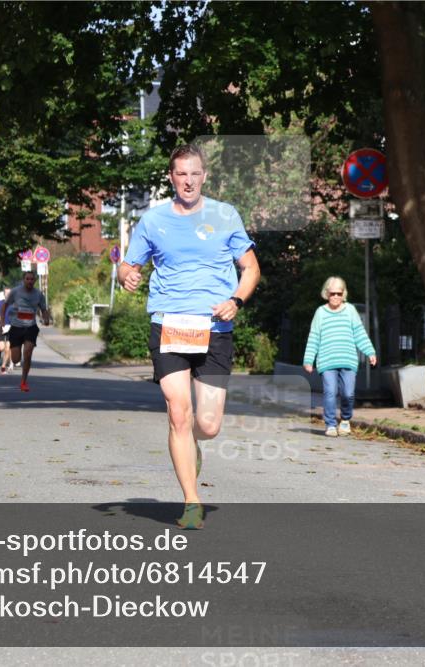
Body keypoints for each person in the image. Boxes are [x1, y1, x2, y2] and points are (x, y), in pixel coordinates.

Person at [118, 144, 260, 529]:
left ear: (204, 176)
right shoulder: (153, 220)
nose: (189, 180)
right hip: (169, 323)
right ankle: (191, 500)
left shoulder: (225, 215)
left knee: (208, 425)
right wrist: (126, 275)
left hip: (215, 328)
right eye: (181, 174)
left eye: (195, 173)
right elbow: (128, 264)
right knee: (178, 411)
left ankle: (192, 442)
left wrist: (236, 299)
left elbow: (250, 269)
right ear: (171, 178)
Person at [303, 277, 377, 437]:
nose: (335, 296)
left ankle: (345, 420)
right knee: (330, 391)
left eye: (339, 293)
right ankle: (330, 424)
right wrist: (309, 359)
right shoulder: (320, 313)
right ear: (326, 294)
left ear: (344, 294)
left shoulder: (350, 310)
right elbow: (314, 337)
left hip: (348, 360)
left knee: (348, 393)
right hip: (327, 361)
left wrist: (370, 352)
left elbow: (359, 333)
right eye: (332, 293)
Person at [1, 271, 49, 391]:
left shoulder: (38, 294)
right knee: (16, 359)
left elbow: (43, 308)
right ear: (24, 280)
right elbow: (5, 305)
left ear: (35, 281)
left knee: (28, 353)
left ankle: (23, 382)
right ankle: (15, 351)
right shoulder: (16, 292)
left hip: (30, 327)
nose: (29, 281)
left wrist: (46, 318)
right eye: (27, 279)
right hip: (16, 327)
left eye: (32, 279)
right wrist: (2, 320)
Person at [0, 287, 14, 374]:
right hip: (1, 327)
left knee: (8, 349)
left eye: (9, 293)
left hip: (11, 328)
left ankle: (3, 367)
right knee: (2, 347)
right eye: (6, 293)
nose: (8, 294)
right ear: (4, 294)